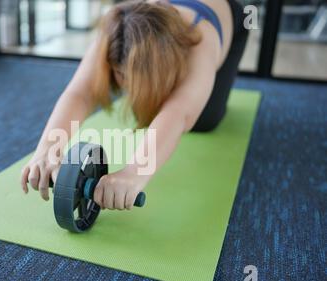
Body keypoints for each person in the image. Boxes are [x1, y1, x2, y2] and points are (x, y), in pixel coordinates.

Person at [21, 0, 249, 210]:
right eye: (121, 75)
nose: (127, 87)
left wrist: (134, 173)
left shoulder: (201, 43)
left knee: (203, 120)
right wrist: (47, 149)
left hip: (225, 16)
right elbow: (80, 93)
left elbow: (180, 114)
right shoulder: (117, 28)